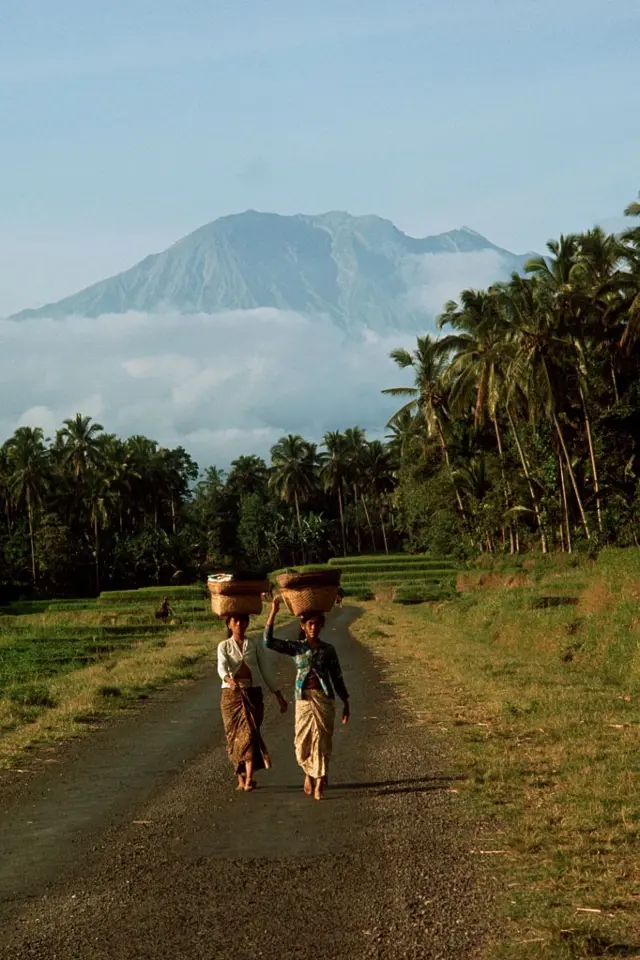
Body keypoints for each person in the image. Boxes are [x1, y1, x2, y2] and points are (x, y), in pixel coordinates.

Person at [264, 597, 350, 800]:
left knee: (321, 741)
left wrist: (346, 701)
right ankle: (309, 774)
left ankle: (319, 782)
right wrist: (273, 611)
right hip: (303, 700)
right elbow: (268, 642)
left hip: (324, 700)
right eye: (310, 624)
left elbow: (337, 677)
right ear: (303, 625)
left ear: (322, 626)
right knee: (302, 744)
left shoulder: (328, 650)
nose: (314, 628)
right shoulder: (297, 648)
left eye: (317, 624)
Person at [217, 613, 288, 792]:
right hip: (230, 696)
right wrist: (229, 680)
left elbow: (266, 670)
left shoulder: (254, 644)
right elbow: (222, 666)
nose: (240, 624)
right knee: (233, 737)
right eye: (236, 621)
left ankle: (249, 778)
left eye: (243, 620)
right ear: (229, 624)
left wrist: (278, 695)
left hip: (252, 694)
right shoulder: (224, 646)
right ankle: (241, 778)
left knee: (249, 734)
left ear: (248, 623)